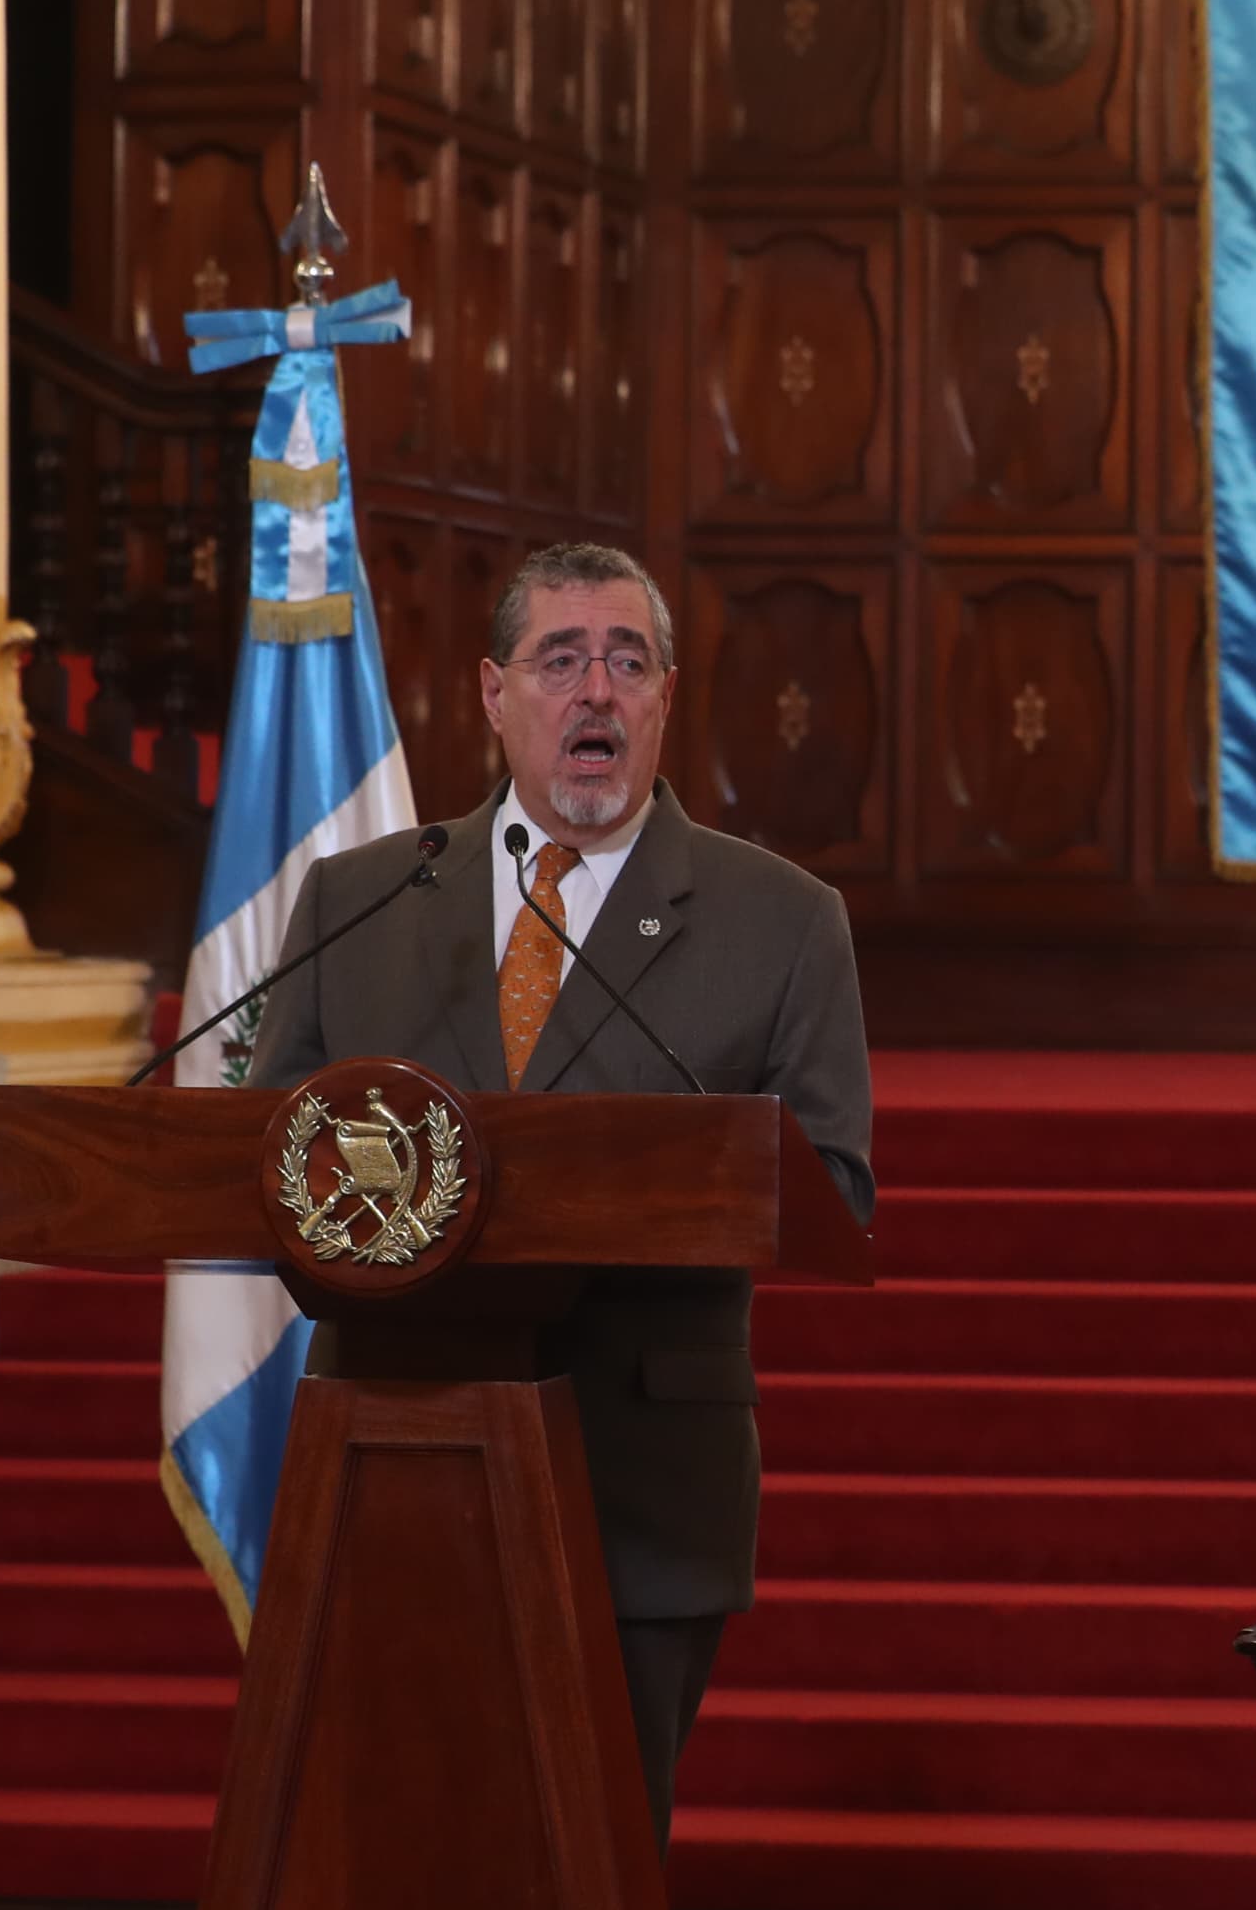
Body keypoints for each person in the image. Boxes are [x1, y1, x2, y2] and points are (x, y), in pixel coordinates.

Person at [244, 541, 876, 1844]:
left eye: (626, 661)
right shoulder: (360, 900)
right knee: (399, 1846)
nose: (595, 691)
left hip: (638, 1472)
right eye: (561, 659)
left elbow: (833, 1186)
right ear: (492, 693)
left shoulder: (781, 920)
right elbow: (266, 1159)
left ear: (664, 696)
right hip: (397, 1453)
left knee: (592, 1856)